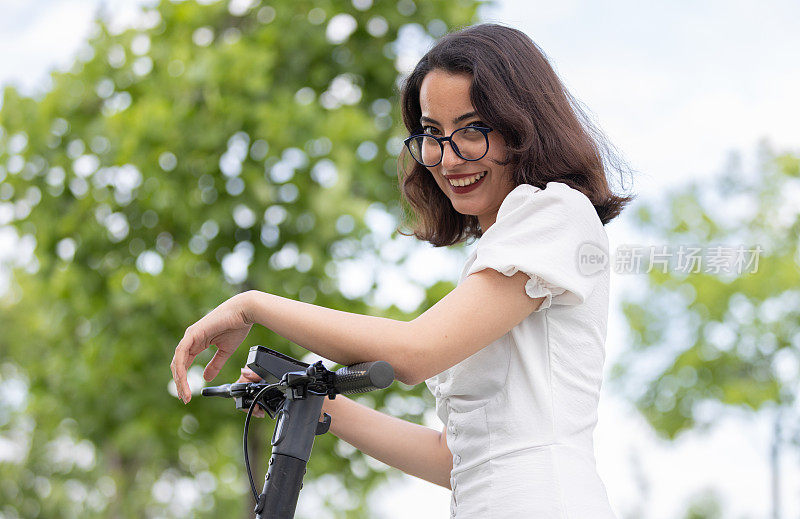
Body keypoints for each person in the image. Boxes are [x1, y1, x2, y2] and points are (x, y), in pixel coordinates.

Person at [171, 23, 634, 518]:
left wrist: (253, 305)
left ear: (523, 127)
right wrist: (312, 400)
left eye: (472, 129)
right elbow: (458, 460)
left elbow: (413, 353)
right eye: (432, 133)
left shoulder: (556, 213)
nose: (447, 157)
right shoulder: (500, 252)